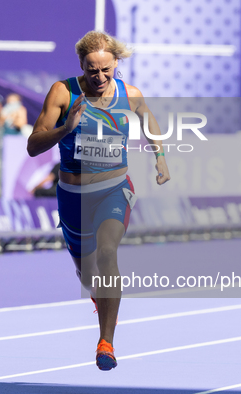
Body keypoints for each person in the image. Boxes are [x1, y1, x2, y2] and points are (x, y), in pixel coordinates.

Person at [27, 31, 170, 371]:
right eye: (93, 71)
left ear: (116, 63)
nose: (101, 77)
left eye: (107, 70)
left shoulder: (129, 94)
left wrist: (160, 156)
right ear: (81, 65)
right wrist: (66, 128)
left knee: (107, 254)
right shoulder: (63, 93)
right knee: (88, 274)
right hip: (73, 196)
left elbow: (149, 120)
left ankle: (106, 342)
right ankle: (102, 301)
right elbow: (33, 145)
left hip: (113, 188)